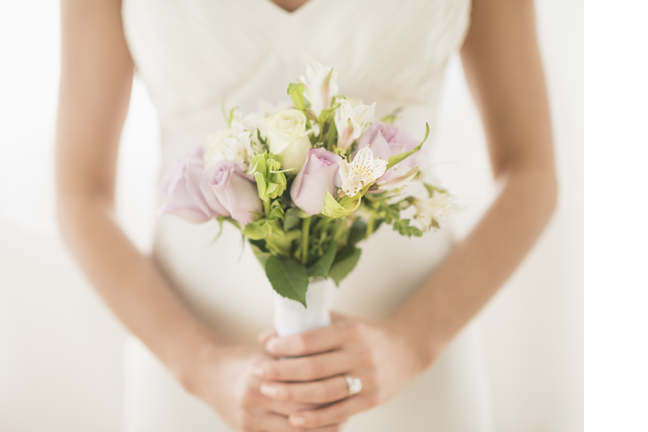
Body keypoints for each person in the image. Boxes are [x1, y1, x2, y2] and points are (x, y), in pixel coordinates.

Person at [55, 0, 557, 430]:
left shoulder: (414, 351)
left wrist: (412, 343)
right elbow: (79, 193)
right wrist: (202, 367)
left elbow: (531, 171)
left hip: (413, 373)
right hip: (189, 376)